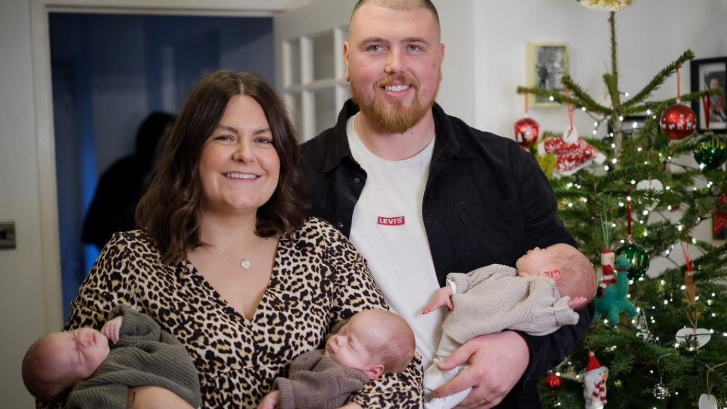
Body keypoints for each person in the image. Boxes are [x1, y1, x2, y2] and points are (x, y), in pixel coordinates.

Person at [43, 70, 421, 409]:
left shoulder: (322, 247)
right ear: (191, 152)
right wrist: (139, 399)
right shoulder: (129, 258)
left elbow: (403, 372)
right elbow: (56, 388)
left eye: (263, 140)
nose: (245, 155)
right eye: (225, 137)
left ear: (281, 157)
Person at [298, 1, 594, 407]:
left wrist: (523, 350)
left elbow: (575, 295)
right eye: (376, 48)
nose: (395, 65)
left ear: (440, 59)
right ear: (348, 59)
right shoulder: (296, 176)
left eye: (415, 47)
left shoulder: (506, 167)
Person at [421, 244, 596, 409]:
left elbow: (541, 321)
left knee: (459, 377)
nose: (535, 247)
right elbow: (475, 277)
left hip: (473, 344)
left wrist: (561, 311)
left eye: (543, 249)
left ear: (551, 273)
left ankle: (437, 404)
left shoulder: (538, 295)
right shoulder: (505, 272)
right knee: (440, 367)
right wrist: (450, 289)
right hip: (456, 325)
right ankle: (424, 392)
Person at [22, 305, 201, 409]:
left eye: (73, 334)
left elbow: (152, 331)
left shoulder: (116, 338)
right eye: (77, 355)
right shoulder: (92, 388)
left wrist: (123, 321)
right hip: (181, 395)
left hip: (184, 380)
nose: (82, 341)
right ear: (77, 383)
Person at [258, 309, 416, 409]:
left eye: (351, 345)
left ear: (374, 370)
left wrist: (277, 396)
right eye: (342, 332)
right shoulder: (349, 357)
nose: (338, 340)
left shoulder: (339, 376)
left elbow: (315, 389)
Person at [81, 112, 176, 251]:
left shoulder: (178, 177)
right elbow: (96, 228)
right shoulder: (121, 174)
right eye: (165, 140)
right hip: (123, 259)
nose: (169, 147)